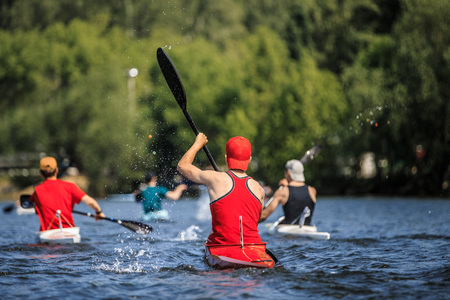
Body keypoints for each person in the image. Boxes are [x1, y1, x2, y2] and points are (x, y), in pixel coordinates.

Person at [177, 133, 266, 247]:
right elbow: (254, 221)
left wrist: (198, 143)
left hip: (222, 248)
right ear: (249, 159)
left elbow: (182, 166)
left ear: (226, 157)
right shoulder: (259, 189)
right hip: (255, 247)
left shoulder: (214, 178)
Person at [31, 156, 105, 231]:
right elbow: (91, 202)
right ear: (56, 170)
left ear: (41, 173)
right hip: (69, 231)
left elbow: (34, 207)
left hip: (47, 233)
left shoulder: (37, 190)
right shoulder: (69, 186)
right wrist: (99, 212)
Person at [259, 159, 317, 225]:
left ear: (288, 172)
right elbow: (297, 192)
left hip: (288, 233)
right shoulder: (312, 190)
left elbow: (263, 216)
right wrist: (288, 185)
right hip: (308, 229)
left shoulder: (282, 192)